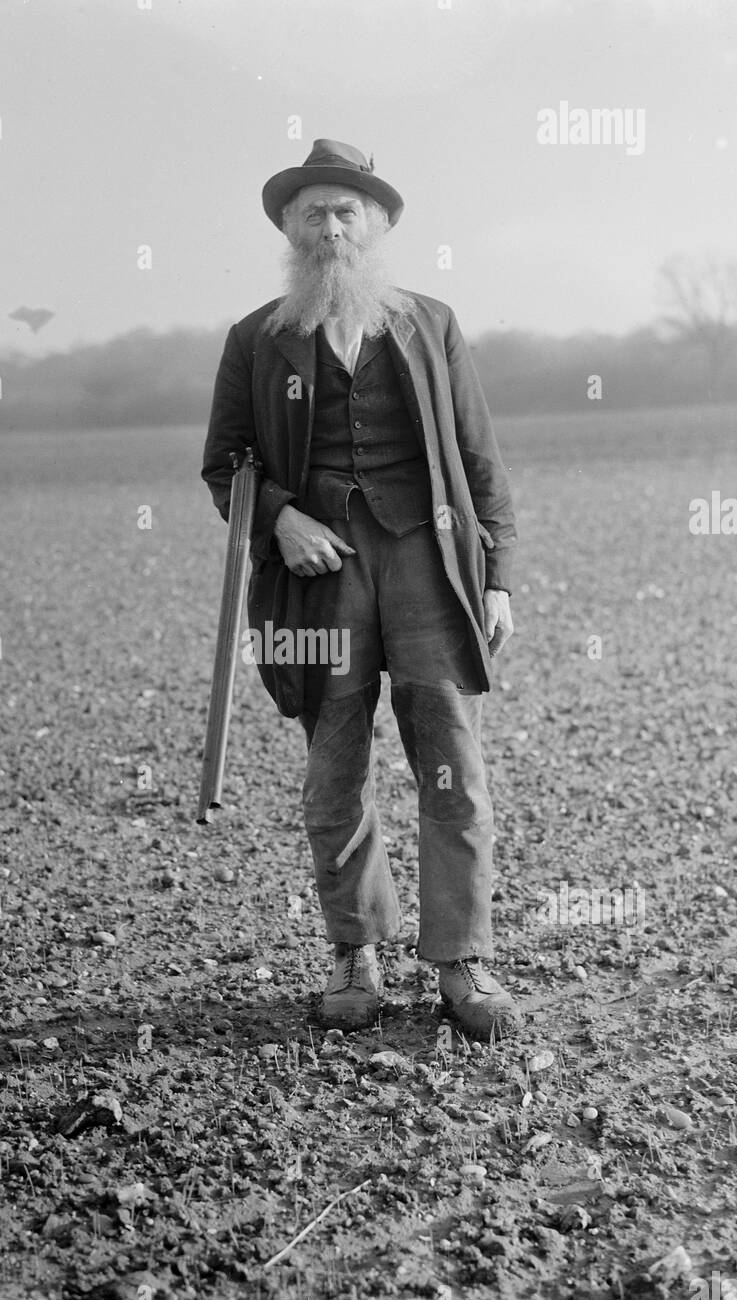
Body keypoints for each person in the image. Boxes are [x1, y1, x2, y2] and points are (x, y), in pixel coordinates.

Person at [202, 138, 522, 1040]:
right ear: (290, 231)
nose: (331, 228)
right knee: (334, 769)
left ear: (376, 226)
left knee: (452, 764)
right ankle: (356, 953)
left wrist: (495, 579)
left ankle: (461, 960)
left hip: (426, 564)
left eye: (348, 212)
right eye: (314, 214)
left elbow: (479, 460)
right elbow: (222, 464)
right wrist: (279, 520)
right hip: (319, 583)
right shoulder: (256, 339)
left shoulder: (431, 325)